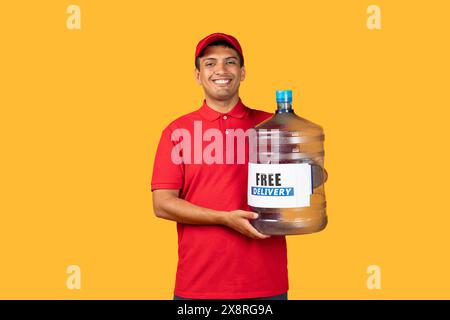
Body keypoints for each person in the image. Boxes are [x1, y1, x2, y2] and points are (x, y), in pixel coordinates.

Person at [151, 33, 288, 300]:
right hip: (198, 284)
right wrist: (224, 218)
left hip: (266, 282)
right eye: (210, 63)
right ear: (197, 75)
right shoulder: (177, 131)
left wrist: (310, 173)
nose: (221, 70)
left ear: (243, 72)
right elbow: (162, 203)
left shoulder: (272, 126)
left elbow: (299, 187)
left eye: (230, 62)